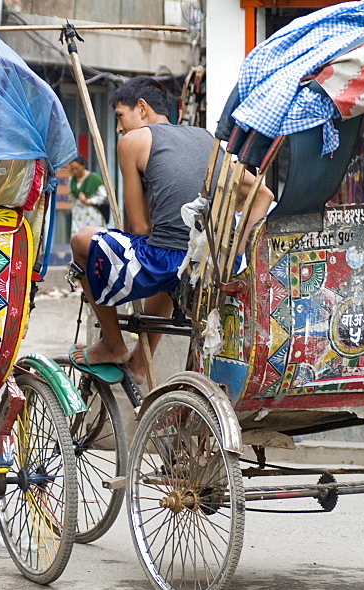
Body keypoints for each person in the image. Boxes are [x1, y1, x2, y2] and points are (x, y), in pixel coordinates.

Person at [69, 76, 274, 383]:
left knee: (81, 239)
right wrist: (237, 252)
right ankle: (140, 363)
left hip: (167, 260)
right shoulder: (207, 139)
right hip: (206, 265)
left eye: (120, 117)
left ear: (141, 108)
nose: (119, 128)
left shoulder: (132, 142)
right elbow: (263, 194)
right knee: (175, 261)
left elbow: (137, 226)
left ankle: (112, 344)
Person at [66, 156, 108, 232]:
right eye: (72, 169)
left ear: (83, 165)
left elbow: (103, 195)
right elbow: (71, 197)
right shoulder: (71, 180)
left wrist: (88, 201)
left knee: (91, 235)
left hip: (92, 214)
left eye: (77, 168)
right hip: (77, 214)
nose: (75, 171)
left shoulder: (94, 178)